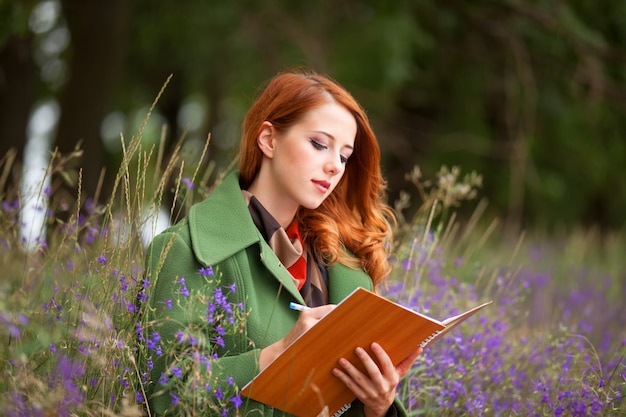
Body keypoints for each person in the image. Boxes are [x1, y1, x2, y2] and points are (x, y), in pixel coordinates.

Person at [142, 68, 422, 417]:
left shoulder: (346, 268)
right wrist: (277, 355)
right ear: (269, 139)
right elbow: (166, 396)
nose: (334, 165)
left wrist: (378, 407)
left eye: (344, 156)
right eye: (320, 144)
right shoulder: (185, 249)